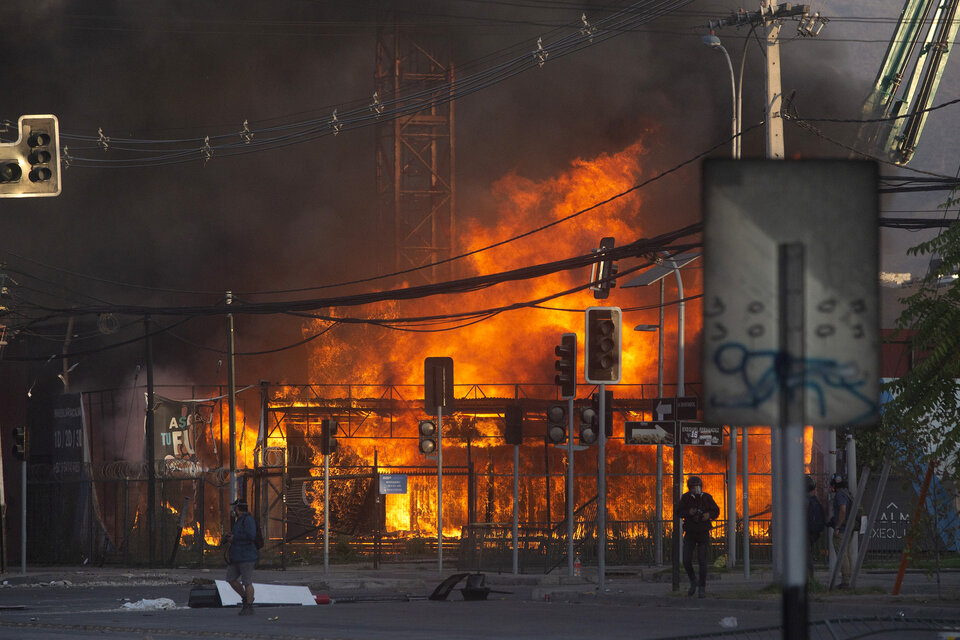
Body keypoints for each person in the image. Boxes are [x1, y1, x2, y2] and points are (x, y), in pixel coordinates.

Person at [677, 475, 720, 598]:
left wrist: (709, 515)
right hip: (690, 533)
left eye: (698, 486)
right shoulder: (685, 498)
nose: (696, 489)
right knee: (686, 560)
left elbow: (716, 511)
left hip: (703, 533)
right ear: (689, 488)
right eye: (693, 487)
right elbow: (678, 512)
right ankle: (693, 581)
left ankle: (702, 587)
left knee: (702, 561)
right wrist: (688, 512)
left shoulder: (706, 498)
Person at [223, 498, 258, 615]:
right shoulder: (240, 520)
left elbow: (251, 535)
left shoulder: (248, 520)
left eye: (235, 508)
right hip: (237, 556)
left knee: (247, 581)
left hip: (246, 556)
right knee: (230, 578)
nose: (234, 510)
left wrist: (235, 538)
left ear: (238, 509)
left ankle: (249, 606)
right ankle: (246, 598)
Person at [828, 474, 853, 588]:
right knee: (847, 554)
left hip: (842, 530)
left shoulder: (840, 495)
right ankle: (849, 579)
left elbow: (842, 510)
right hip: (848, 528)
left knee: (842, 555)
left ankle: (846, 581)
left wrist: (837, 526)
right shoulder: (847, 493)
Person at [806, 475, 826, 581]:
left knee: (805, 555)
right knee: (807, 553)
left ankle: (808, 578)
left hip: (806, 532)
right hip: (814, 532)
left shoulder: (805, 500)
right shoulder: (815, 500)